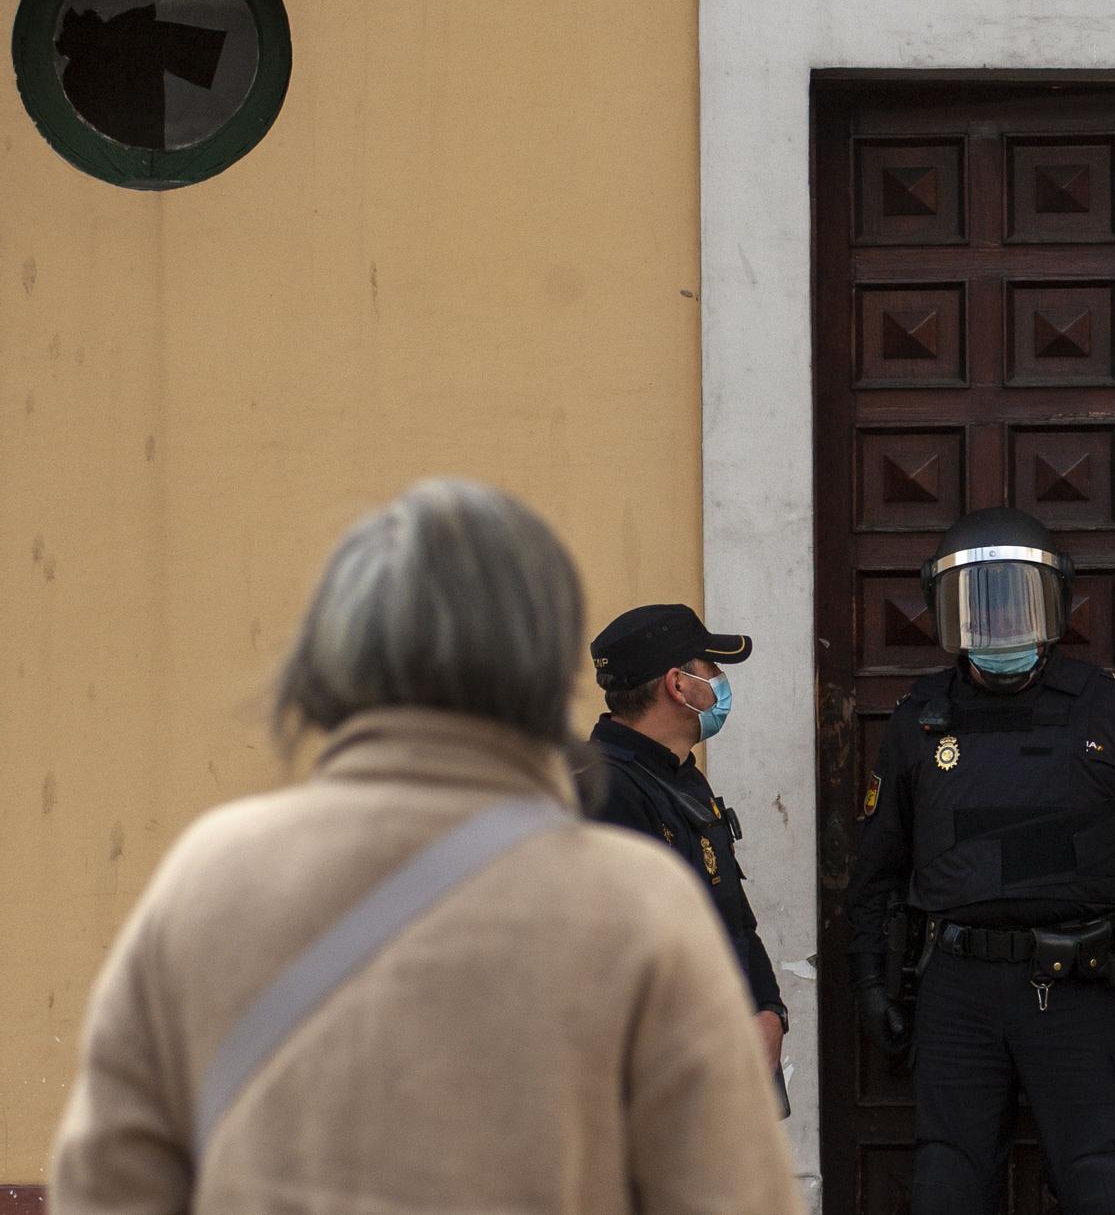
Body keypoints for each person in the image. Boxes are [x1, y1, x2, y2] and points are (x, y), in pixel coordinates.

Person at [48, 479, 803, 1215]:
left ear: (331, 661)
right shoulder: (629, 895)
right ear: (536, 665)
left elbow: (107, 1183)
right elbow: (728, 1188)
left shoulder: (208, 876)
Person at [846, 507, 1115, 1215]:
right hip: (957, 986)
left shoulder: (1111, 711)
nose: (999, 626)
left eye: (1017, 602)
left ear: (1055, 603)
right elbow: (879, 866)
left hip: (1076, 981)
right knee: (946, 1182)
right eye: (977, 607)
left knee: (1098, 1177)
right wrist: (869, 978)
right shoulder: (919, 721)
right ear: (944, 613)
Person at [580, 603, 786, 1071]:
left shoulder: (678, 774)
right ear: (678, 685)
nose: (720, 681)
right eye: (711, 669)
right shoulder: (604, 791)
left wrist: (771, 1013)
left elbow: (732, 914)